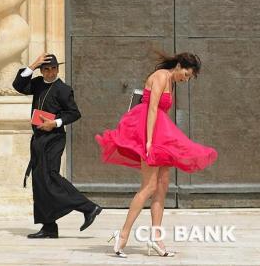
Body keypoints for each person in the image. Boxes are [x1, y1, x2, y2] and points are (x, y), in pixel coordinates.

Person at [95, 52, 218, 257]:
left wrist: (164, 139)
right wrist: (150, 141)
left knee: (161, 188)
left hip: (160, 135)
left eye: (189, 78)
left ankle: (156, 239)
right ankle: (122, 236)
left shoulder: (172, 82)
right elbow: (152, 109)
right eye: (186, 74)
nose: (185, 79)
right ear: (179, 66)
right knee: (149, 186)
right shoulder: (161, 76)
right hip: (147, 133)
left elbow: (163, 114)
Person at [12, 53, 102, 239]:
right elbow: (18, 86)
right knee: (39, 181)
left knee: (50, 176)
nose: (51, 72)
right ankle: (49, 227)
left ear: (58, 69)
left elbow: (74, 113)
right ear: (41, 70)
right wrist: (33, 64)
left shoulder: (63, 89)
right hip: (38, 139)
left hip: (54, 139)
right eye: (46, 69)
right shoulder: (37, 84)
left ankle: (89, 207)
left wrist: (56, 123)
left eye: (54, 69)